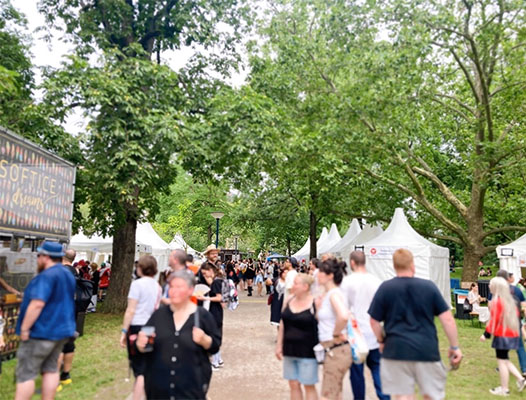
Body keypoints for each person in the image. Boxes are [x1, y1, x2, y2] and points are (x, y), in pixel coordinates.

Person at [368, 249, 462, 400]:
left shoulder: (385, 288)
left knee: (402, 396)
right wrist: (454, 346)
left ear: (394, 266)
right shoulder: (429, 287)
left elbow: (373, 321)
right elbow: (447, 319)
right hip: (426, 349)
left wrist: (381, 341)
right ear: (413, 265)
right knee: (432, 395)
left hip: (395, 349)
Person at [136, 269, 221, 399]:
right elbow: (146, 346)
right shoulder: (158, 315)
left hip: (191, 390)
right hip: (159, 390)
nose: (174, 291)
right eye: (171, 287)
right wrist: (141, 344)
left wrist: (205, 340)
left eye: (179, 287)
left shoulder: (203, 316)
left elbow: (215, 346)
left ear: (190, 290)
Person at [15, 241, 76, 400]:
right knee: (51, 369)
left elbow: (37, 304)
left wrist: (24, 328)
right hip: (61, 331)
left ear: (46, 257)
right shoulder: (67, 274)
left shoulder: (46, 276)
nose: (37, 259)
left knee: (26, 374)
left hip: (41, 332)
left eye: (39, 255)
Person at [340, 251, 389, 400]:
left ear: (352, 263)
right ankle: (384, 397)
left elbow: (343, 310)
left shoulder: (347, 282)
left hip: (355, 335)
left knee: (356, 374)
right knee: (378, 370)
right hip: (374, 333)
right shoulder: (377, 281)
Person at [120, 255, 162, 400]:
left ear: (141, 268)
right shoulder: (157, 286)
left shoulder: (137, 285)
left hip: (136, 326)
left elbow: (131, 309)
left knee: (139, 369)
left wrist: (124, 331)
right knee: (146, 364)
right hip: (150, 327)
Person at [276, 273, 319, 400]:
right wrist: (279, 344)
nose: (292, 285)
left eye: (296, 283)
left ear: (305, 286)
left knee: (308, 385)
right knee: (293, 383)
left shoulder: (315, 303)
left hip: (308, 351)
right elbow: (282, 322)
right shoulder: (289, 300)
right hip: (289, 349)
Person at [481, 277, 526, 396]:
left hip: (502, 335)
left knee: (501, 362)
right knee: (504, 360)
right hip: (512, 333)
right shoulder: (512, 300)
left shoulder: (497, 301)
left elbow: (494, 320)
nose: (489, 286)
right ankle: (521, 380)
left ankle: (504, 389)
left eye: (490, 284)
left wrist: (486, 334)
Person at [316, 258, 351, 400]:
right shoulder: (330, 294)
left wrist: (336, 333)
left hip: (335, 348)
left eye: (321, 273)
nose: (318, 275)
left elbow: (343, 316)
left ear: (330, 276)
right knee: (336, 392)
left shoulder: (334, 295)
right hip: (333, 349)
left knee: (329, 394)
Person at [57, 249, 79, 392]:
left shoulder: (60, 272)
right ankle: (66, 375)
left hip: (60, 311)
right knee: (69, 344)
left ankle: (55, 378)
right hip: (72, 310)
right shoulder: (76, 271)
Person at [196, 263, 224, 370]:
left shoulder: (216, 282)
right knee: (215, 334)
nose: (204, 275)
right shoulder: (215, 281)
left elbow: (219, 298)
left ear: (211, 271)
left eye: (205, 273)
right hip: (215, 311)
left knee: (213, 335)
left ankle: (215, 362)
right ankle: (218, 359)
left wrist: (205, 298)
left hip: (214, 312)